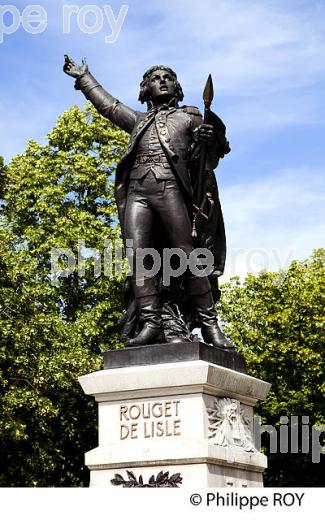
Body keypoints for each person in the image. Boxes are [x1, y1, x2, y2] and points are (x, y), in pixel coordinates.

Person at [63, 56, 234, 349]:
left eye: (168, 76)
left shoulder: (191, 116)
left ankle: (209, 325)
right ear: (145, 89)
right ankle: (151, 322)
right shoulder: (139, 121)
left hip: (170, 189)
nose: (162, 80)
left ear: (177, 87)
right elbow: (110, 107)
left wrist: (211, 138)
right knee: (138, 257)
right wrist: (84, 79)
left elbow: (210, 159)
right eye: (155, 78)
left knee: (189, 257)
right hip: (137, 193)